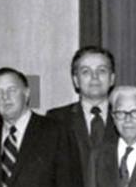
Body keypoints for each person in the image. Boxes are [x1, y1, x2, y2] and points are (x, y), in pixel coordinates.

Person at [46, 46, 118, 178]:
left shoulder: (128, 118)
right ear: (76, 80)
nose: (94, 77)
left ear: (112, 78)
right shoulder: (56, 119)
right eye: (86, 72)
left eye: (102, 71)